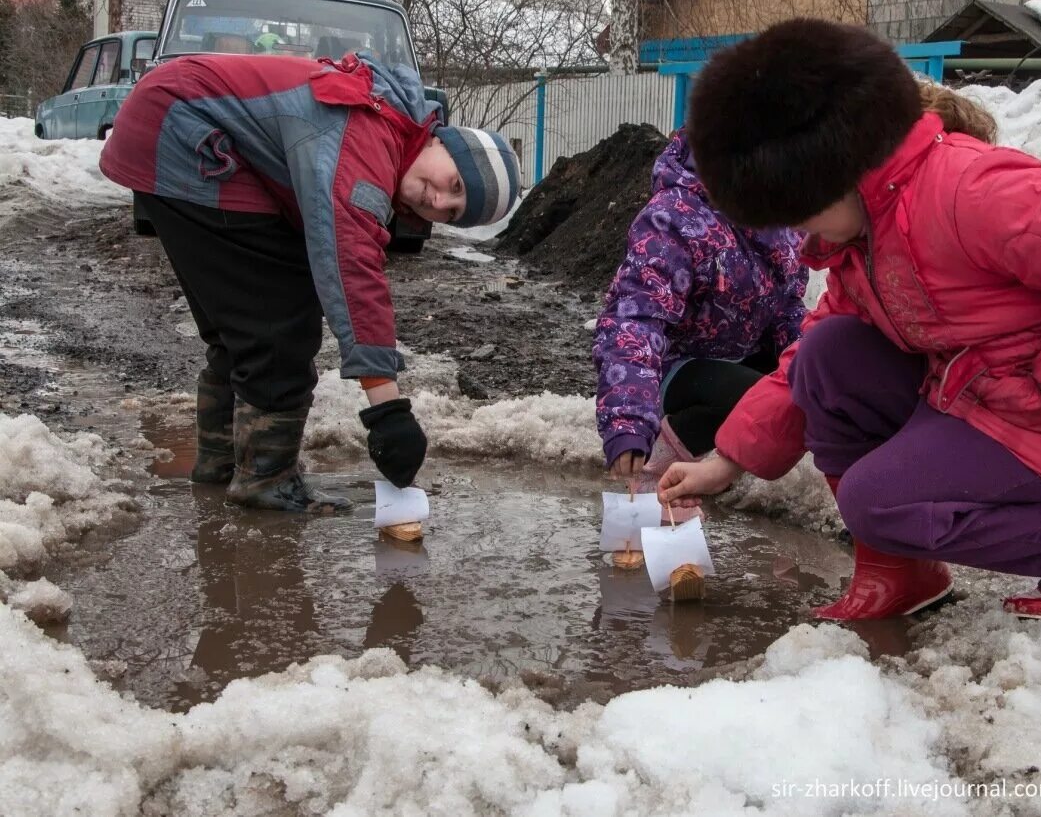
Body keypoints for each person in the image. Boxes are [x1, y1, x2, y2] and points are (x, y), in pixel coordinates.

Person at [659, 20, 1041, 622]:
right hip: (974, 399)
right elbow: (810, 357)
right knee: (829, 352)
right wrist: (726, 459)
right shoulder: (867, 231)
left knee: (874, 502)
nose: (800, 231)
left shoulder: (968, 188)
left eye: (797, 211)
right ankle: (900, 575)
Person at [101, 52, 520, 512]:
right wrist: (387, 409)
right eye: (454, 183)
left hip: (176, 120)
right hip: (183, 131)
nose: (437, 201)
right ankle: (266, 482)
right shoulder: (368, 137)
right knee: (277, 326)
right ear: (442, 142)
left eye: (452, 213)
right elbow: (350, 264)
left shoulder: (391, 128)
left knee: (249, 324)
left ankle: (223, 468)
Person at [592, 127, 807, 499]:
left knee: (800, 392)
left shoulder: (780, 223)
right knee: (757, 398)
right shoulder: (673, 218)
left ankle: (710, 464)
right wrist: (627, 417)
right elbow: (635, 319)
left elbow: (788, 307)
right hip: (672, 366)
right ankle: (656, 472)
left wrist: (812, 366)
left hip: (739, 355)